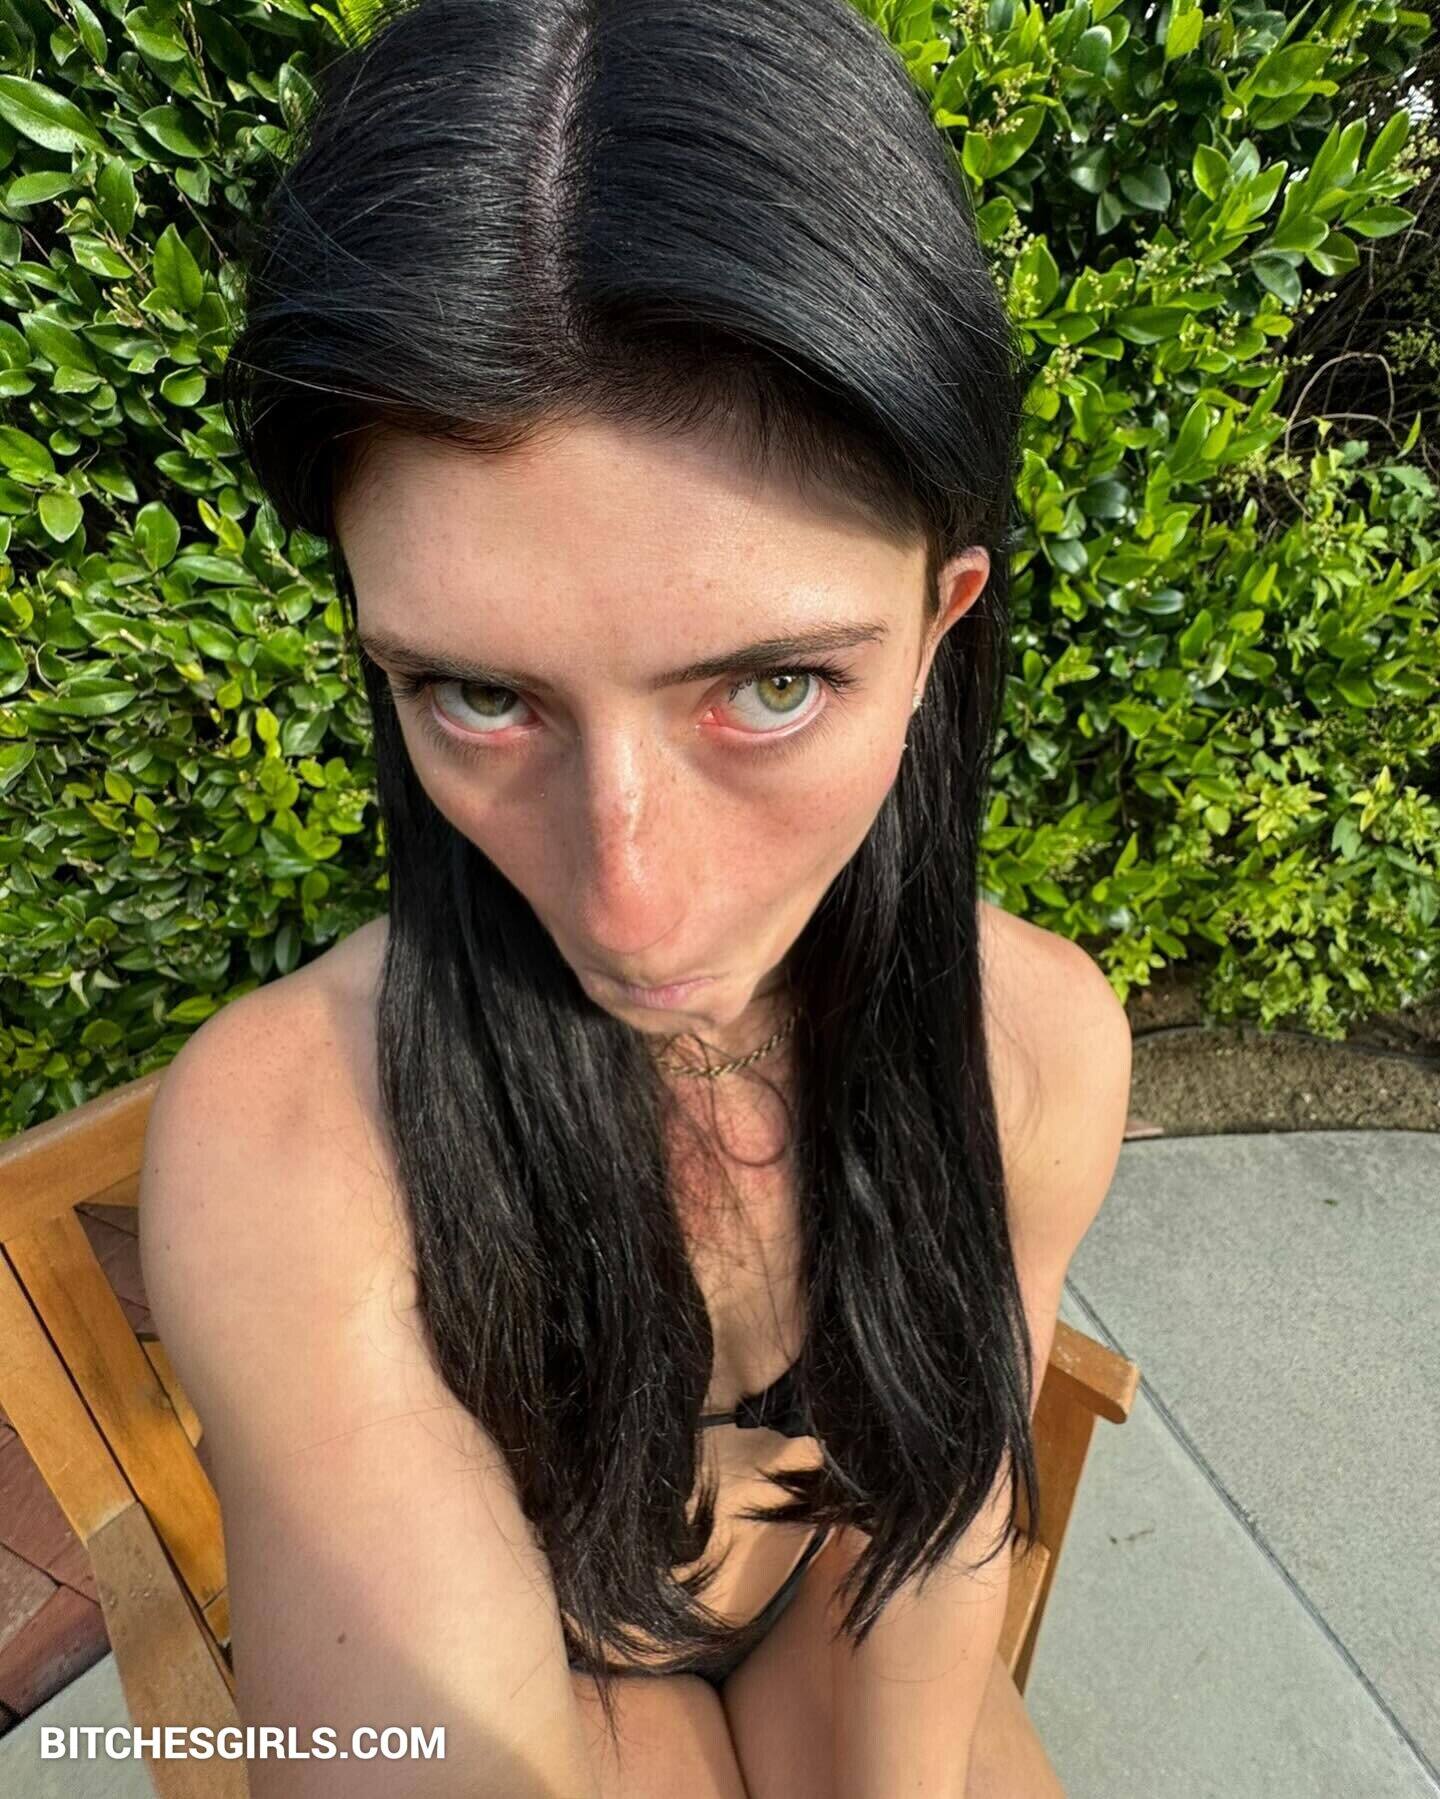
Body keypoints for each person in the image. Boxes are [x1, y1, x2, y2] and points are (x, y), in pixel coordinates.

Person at [139, 0, 1132, 1793]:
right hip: (572, 1653)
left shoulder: (1034, 1052)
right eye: (478, 693)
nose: (633, 911)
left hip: (828, 1585)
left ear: (940, 625)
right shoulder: (294, 1147)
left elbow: (933, 1526)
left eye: (773, 686)